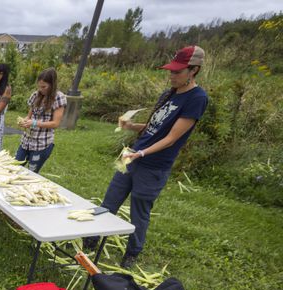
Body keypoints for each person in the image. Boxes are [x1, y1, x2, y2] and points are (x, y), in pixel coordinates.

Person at [86, 46, 209, 268]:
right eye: (170, 71)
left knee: (139, 211)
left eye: (177, 72)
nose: (171, 76)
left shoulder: (197, 98)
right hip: (132, 156)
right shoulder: (168, 93)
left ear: (194, 70)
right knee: (109, 200)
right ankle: (92, 239)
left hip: (153, 165)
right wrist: (132, 126)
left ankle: (132, 252)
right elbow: (155, 127)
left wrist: (141, 153)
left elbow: (171, 138)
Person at [16, 68, 67, 173]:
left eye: (44, 87)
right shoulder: (35, 95)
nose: (40, 89)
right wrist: (24, 122)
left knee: (31, 173)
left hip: (41, 144)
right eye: (39, 86)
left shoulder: (59, 97)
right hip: (26, 142)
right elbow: (29, 116)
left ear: (52, 85)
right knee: (14, 168)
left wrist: (35, 123)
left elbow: (55, 123)